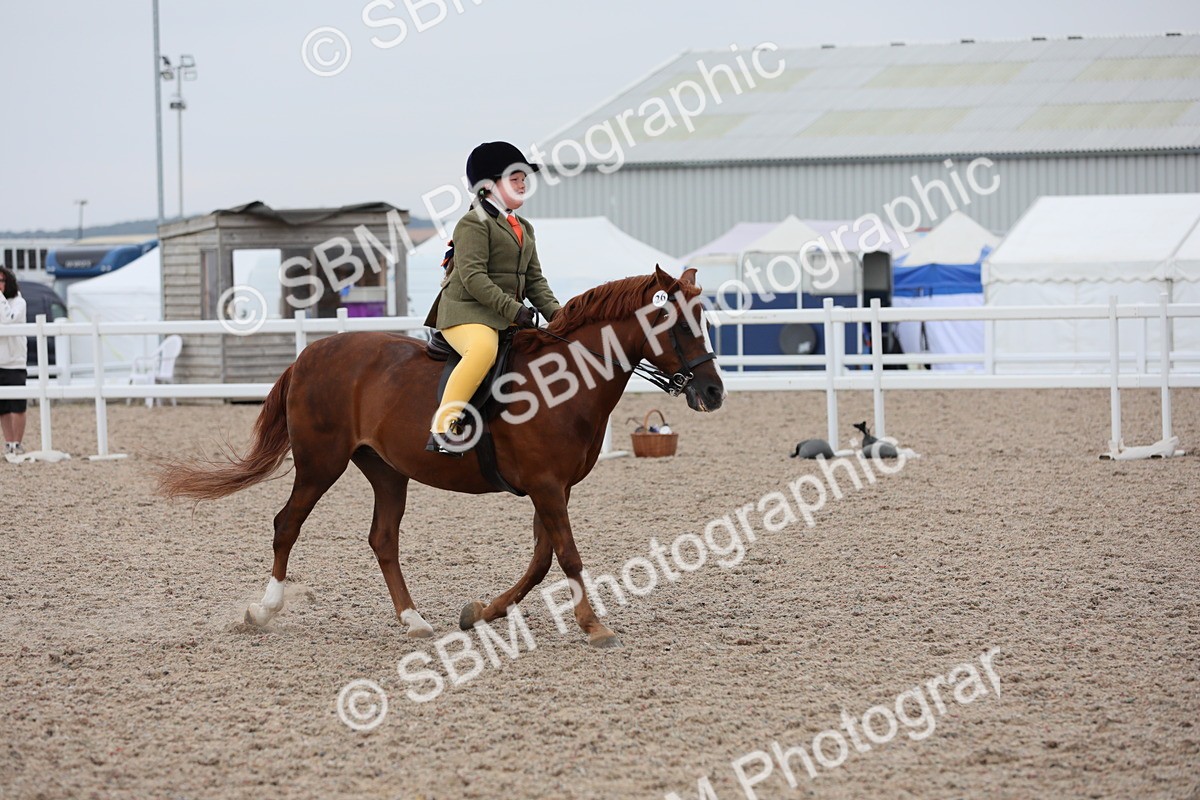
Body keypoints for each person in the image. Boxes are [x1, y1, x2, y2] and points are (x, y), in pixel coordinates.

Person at [426, 141, 562, 456]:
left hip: (503, 314)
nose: (523, 183)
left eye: (524, 178)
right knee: (482, 351)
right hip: (466, 312)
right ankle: (444, 427)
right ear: (489, 186)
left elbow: (534, 280)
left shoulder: (524, 227)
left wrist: (560, 316)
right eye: (515, 178)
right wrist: (516, 310)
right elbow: (474, 279)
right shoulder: (473, 223)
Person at [0, 267, 28, 457]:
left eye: (1, 280)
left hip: (15, 361)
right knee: (2, 407)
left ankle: (17, 443)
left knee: (17, 405)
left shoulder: (19, 302)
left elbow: (8, 320)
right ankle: (8, 442)